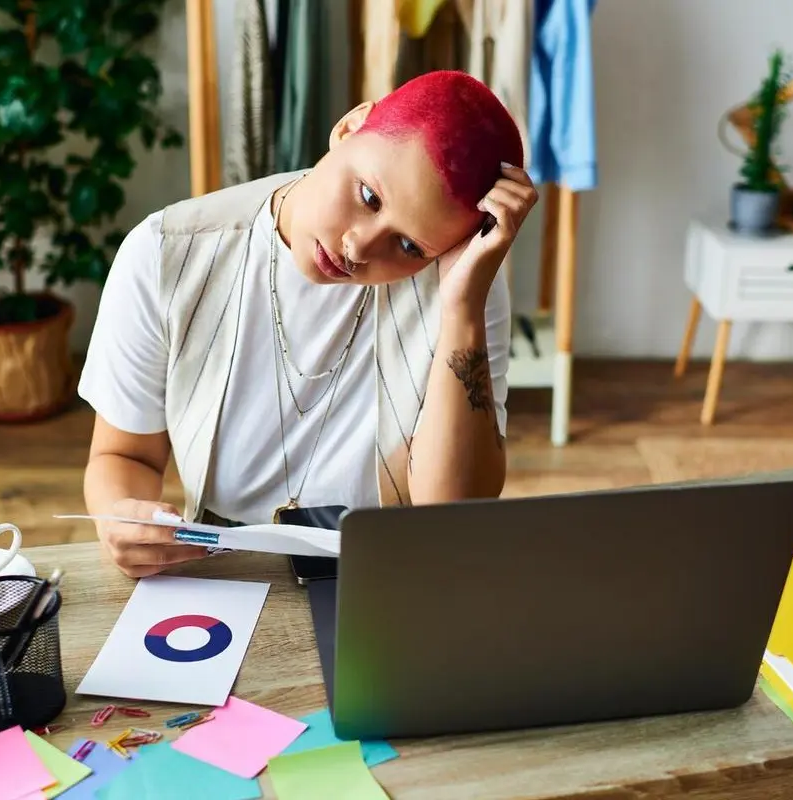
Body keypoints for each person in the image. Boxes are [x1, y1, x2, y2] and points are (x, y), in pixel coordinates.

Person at [79, 70, 538, 578]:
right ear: (349, 127)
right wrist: (121, 516)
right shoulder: (166, 254)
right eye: (369, 196)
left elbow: (450, 516)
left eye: (409, 246)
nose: (360, 248)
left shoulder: (462, 281)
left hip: (388, 578)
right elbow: (124, 456)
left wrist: (462, 310)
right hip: (226, 576)